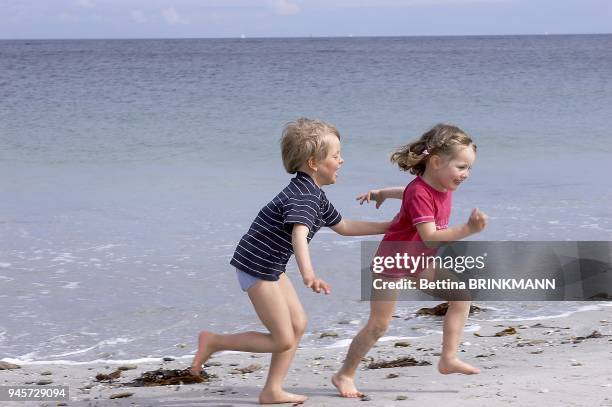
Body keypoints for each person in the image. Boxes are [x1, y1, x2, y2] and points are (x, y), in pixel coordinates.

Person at [190, 118, 390, 404]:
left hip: (268, 264)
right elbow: (300, 234)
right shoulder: (305, 198)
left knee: (298, 323)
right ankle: (214, 342)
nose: (341, 160)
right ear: (313, 163)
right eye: (335, 156)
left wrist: (388, 227)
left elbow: (344, 226)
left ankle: (272, 390)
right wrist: (309, 274)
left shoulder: (312, 192)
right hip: (257, 266)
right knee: (283, 337)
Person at [332, 123, 489, 398]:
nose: (466, 174)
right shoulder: (421, 193)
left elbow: (404, 191)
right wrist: (468, 230)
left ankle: (448, 359)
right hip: (393, 262)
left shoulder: (438, 183)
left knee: (461, 297)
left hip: (419, 261)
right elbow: (429, 236)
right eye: (462, 167)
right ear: (437, 162)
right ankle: (344, 374)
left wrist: (382, 192)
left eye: (469, 168)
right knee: (378, 325)